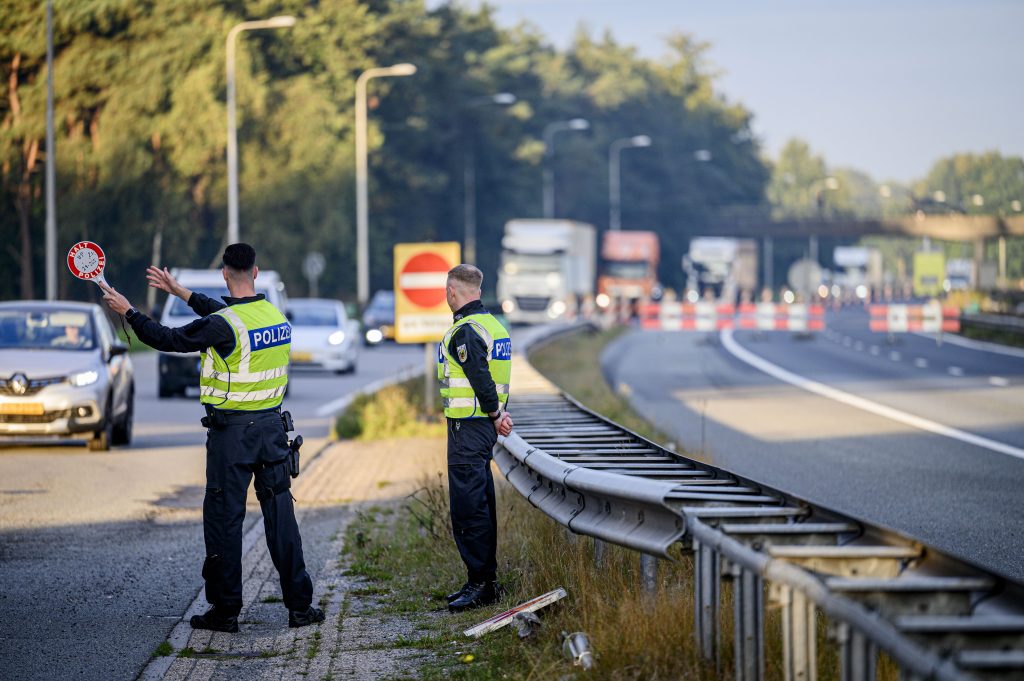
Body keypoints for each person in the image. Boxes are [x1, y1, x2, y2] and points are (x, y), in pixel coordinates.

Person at [99, 243, 324, 633]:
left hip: (232, 437)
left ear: (224, 274)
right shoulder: (273, 315)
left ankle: (225, 612)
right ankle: (300, 608)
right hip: (272, 432)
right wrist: (180, 292)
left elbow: (169, 339)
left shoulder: (225, 326)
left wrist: (129, 312)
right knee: (281, 519)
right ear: (256, 272)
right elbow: (224, 315)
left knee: (224, 521)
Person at [437, 264, 514, 613]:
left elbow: (480, 377)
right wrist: (496, 415)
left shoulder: (466, 330)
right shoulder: (493, 325)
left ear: (453, 291)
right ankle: (481, 580)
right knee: (479, 502)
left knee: (469, 509)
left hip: (469, 427)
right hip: (478, 429)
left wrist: (496, 414)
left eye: (446, 291)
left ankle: (481, 586)